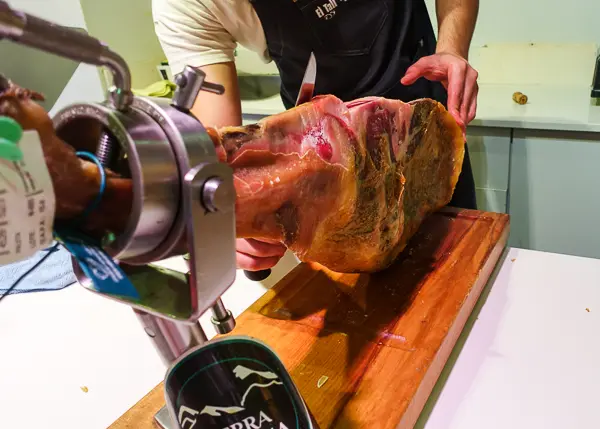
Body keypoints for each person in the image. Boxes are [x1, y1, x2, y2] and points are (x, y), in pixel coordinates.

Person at [152, 0, 480, 272]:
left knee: (456, 265)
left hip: (420, 132)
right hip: (320, 170)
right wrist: (227, 224)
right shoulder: (186, 4)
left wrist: (452, 49)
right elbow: (217, 166)